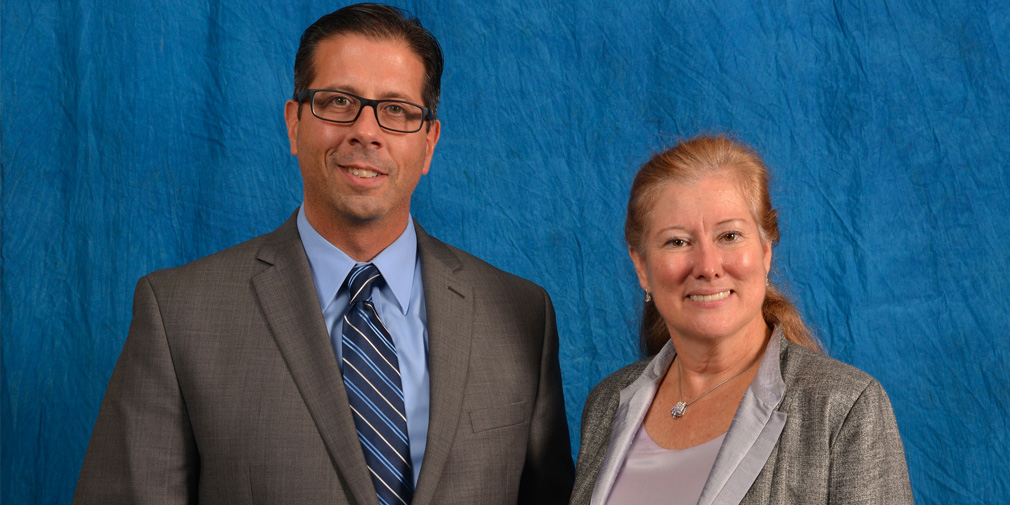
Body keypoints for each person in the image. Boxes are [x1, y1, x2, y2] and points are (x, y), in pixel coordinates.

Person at [73, 4, 573, 504]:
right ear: (294, 124)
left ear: (429, 144)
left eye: (396, 110)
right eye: (338, 102)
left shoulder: (522, 316)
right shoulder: (178, 314)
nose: (366, 131)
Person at [570, 135, 913, 504]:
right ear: (641, 266)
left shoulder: (844, 408)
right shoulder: (607, 404)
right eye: (677, 242)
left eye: (729, 235)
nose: (707, 266)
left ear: (765, 252)